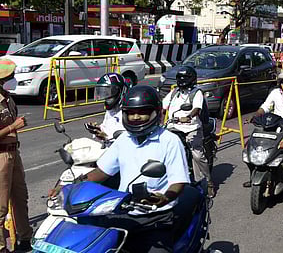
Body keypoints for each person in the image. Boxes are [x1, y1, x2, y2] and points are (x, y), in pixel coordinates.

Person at [50, 85, 191, 252]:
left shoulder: (170, 141)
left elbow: (178, 182)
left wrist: (164, 198)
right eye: (131, 113)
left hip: (155, 218)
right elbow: (101, 172)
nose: (136, 117)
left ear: (155, 113)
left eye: (143, 112)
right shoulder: (124, 139)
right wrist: (70, 185)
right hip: (123, 212)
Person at [242, 70, 283, 188]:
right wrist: (256, 115)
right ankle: (253, 175)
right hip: (274, 125)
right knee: (252, 146)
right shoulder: (275, 93)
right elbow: (266, 106)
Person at [162, 66, 215, 198]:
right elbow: (164, 105)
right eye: (180, 77)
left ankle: (209, 183)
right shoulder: (174, 92)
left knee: (197, 155)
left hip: (191, 128)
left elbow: (197, 108)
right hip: (173, 127)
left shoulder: (196, 93)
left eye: (185, 78)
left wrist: (189, 117)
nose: (182, 80)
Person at [0, 59, 33, 253]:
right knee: (1, 207)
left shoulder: (8, 98)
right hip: (1, 157)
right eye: (9, 76)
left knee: (20, 198)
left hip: (14, 154)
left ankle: (25, 238)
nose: (13, 79)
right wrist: (13, 127)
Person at [88, 73, 129, 140]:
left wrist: (106, 137)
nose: (107, 97)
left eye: (110, 92)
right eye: (105, 93)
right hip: (107, 146)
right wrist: (97, 129)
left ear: (121, 91)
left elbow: (126, 137)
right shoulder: (111, 110)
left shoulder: (128, 112)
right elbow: (106, 127)